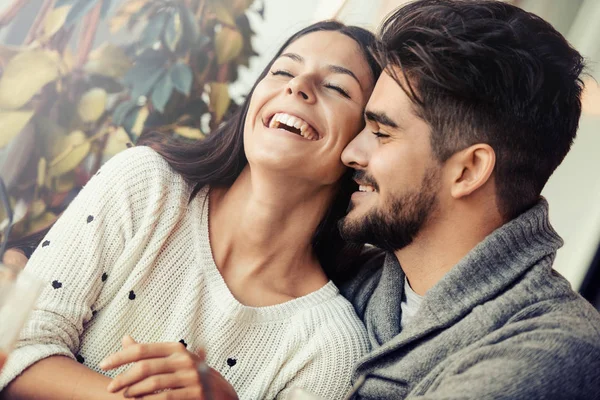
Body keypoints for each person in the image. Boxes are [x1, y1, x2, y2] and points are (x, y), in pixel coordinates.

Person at [0, 21, 380, 399]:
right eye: (283, 70)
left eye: (336, 87)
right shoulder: (146, 184)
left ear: (364, 145)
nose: (297, 86)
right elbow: (15, 348)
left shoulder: (329, 349)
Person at [336, 0, 600, 398]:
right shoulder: (351, 273)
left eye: (382, 132)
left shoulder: (547, 347)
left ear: (468, 170)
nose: (350, 153)